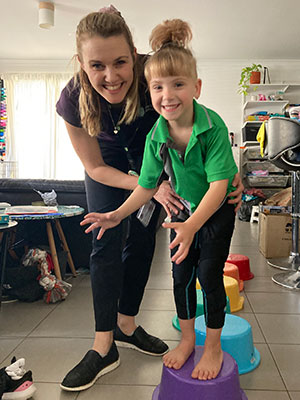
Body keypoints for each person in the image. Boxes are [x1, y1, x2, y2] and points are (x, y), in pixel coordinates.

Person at [56, 7, 243, 391]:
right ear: (81, 64)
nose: (111, 76)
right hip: (112, 167)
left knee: (151, 245)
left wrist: (228, 173)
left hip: (176, 178)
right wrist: (133, 199)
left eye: (121, 62)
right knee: (110, 244)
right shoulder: (77, 98)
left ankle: (128, 324)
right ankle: (103, 345)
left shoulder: (154, 74)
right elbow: (102, 169)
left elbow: (199, 122)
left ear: (135, 54)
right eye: (97, 66)